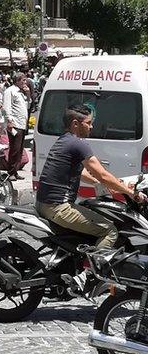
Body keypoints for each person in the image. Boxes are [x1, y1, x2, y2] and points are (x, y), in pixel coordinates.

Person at [36, 105, 146, 249]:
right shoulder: (77, 144)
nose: (91, 126)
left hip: (44, 204)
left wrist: (99, 182)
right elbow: (103, 174)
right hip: (59, 207)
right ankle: (91, 271)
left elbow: (81, 172)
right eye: (88, 123)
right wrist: (131, 193)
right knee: (109, 231)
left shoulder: (64, 140)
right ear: (75, 124)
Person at [2, 73, 29, 179]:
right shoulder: (10, 91)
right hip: (15, 124)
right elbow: (7, 107)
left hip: (22, 124)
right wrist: (9, 121)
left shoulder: (21, 93)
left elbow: (28, 105)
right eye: (23, 80)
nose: (25, 82)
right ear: (17, 80)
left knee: (20, 149)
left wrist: (28, 93)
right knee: (15, 149)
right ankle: (11, 172)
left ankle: (15, 170)